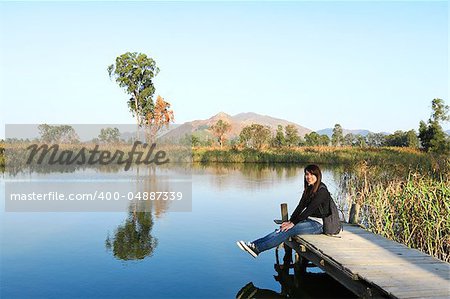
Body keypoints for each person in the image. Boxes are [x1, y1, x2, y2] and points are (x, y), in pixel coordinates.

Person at [237, 164, 333, 258]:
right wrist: (290, 221)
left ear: (318, 176)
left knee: (288, 230)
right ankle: (253, 245)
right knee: (281, 229)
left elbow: (308, 210)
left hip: (318, 225)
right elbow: (300, 207)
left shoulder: (322, 191)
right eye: (307, 174)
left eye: (312, 175)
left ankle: (258, 249)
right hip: (308, 221)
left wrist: (293, 224)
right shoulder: (309, 189)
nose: (309, 177)